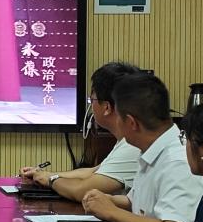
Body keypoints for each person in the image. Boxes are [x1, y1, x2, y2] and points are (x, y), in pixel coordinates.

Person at [81, 73, 203, 222]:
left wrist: (111, 212)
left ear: (131, 123)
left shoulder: (178, 162)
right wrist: (107, 200)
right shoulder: (151, 149)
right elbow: (136, 203)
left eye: (118, 117)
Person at [20, 61, 142, 201]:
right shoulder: (127, 140)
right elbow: (92, 172)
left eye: (92, 100)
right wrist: (44, 174)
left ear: (107, 107)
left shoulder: (132, 146)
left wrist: (50, 180)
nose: (91, 106)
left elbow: (82, 191)